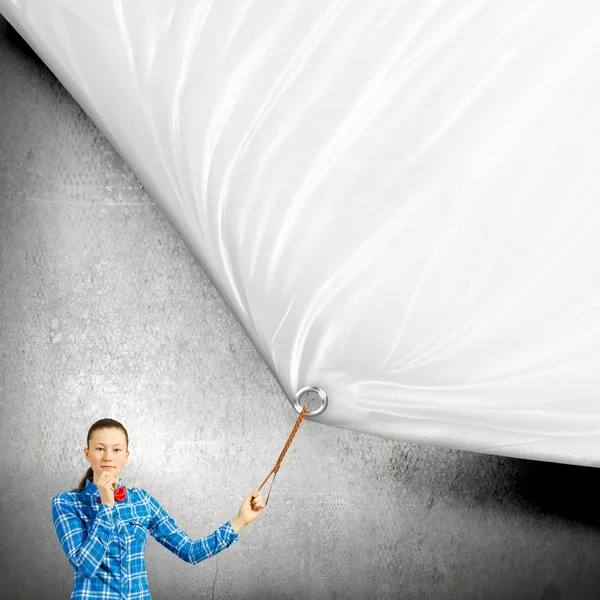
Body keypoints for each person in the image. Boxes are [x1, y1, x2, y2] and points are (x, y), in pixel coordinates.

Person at [51, 418, 265, 599]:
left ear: (126, 455)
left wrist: (240, 520)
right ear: (87, 454)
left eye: (116, 449)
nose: (108, 456)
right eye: (100, 448)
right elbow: (85, 566)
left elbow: (190, 551)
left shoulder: (142, 500)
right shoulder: (66, 503)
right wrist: (106, 504)